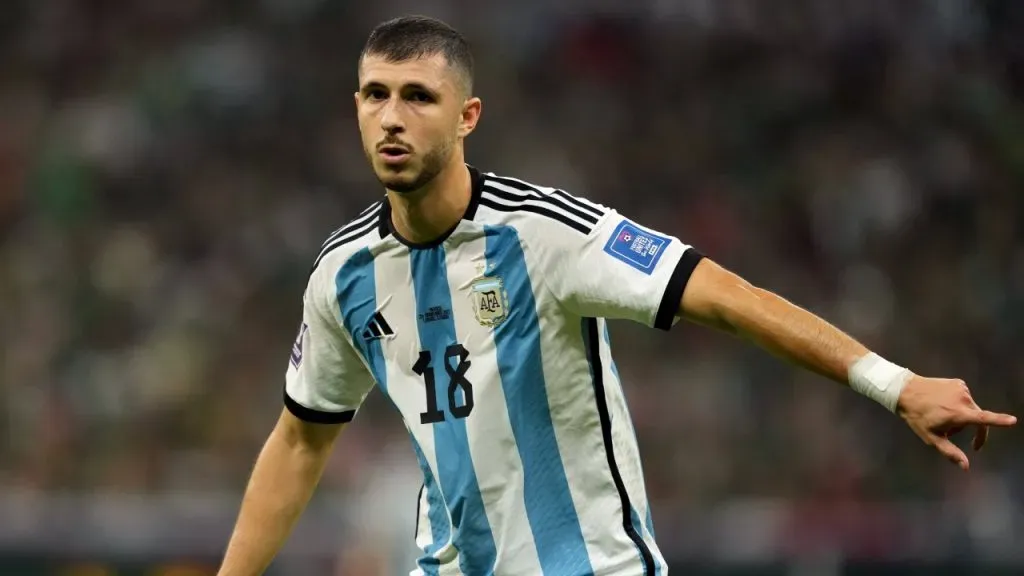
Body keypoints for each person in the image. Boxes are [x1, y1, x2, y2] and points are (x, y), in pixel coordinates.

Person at [215, 15, 1017, 576]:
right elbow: (300, 440)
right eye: (374, 94)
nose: (392, 116)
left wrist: (893, 384)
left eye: (417, 97)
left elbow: (728, 295)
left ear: (467, 117)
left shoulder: (549, 234)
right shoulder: (344, 274)